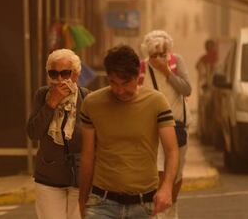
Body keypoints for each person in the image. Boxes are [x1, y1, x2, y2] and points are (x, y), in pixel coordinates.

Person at [78, 45, 179, 219]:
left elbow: (172, 150)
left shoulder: (156, 102)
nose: (119, 90)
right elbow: (87, 155)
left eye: (125, 83)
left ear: (137, 76)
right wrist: (82, 200)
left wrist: (167, 187)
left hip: (144, 205)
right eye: (113, 83)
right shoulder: (92, 103)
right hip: (101, 203)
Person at [27, 48, 90, 219]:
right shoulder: (43, 95)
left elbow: (91, 140)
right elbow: (33, 132)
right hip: (49, 176)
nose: (60, 79)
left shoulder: (87, 99)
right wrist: (51, 103)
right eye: (54, 74)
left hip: (79, 177)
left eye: (65, 73)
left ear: (76, 74)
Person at [139, 30, 192, 219]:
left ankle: (171, 206)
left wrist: (167, 72)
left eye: (163, 54)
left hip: (177, 125)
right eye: (155, 55)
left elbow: (187, 89)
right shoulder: (142, 67)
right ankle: (158, 212)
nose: (159, 59)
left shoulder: (176, 62)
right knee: (159, 171)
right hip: (152, 128)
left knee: (176, 173)